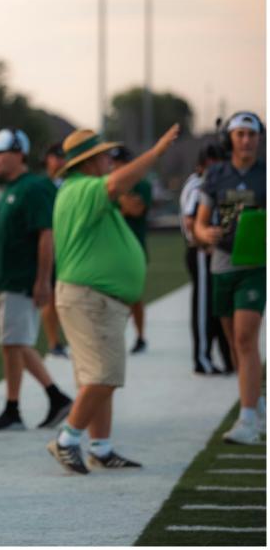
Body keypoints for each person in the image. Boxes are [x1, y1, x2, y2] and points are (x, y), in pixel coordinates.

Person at [47, 124, 179, 474]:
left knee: (98, 379)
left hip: (91, 298)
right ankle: (67, 440)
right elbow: (117, 184)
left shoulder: (78, 189)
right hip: (90, 298)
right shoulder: (83, 188)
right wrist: (156, 152)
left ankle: (101, 448)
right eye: (104, 155)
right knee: (105, 375)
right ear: (88, 161)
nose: (110, 160)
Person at [0, 128, 73, 431]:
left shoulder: (34, 187)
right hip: (10, 279)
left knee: (15, 342)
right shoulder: (14, 187)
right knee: (13, 343)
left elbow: (46, 235)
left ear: (19, 153)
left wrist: (43, 280)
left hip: (23, 279)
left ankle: (28, 404)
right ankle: (34, 402)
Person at [194, 111, 266, 445]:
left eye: (251, 135)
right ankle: (258, 402)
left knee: (244, 337)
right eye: (240, 135)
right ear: (230, 139)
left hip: (255, 265)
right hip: (222, 265)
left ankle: (247, 418)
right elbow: (199, 221)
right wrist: (203, 232)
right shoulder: (215, 175)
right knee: (235, 343)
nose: (246, 140)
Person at [179, 144, 233, 374]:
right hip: (201, 251)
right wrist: (204, 242)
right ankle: (202, 359)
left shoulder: (210, 181)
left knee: (214, 306)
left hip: (213, 251)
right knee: (203, 308)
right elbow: (191, 220)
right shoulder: (199, 184)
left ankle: (226, 357)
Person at [111, 146, 153, 354]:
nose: (115, 167)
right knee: (112, 296)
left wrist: (119, 196)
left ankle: (140, 336)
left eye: (119, 162)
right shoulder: (111, 186)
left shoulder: (141, 185)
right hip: (112, 249)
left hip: (135, 247)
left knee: (134, 296)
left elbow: (134, 209)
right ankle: (116, 337)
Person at [40, 143, 70, 360]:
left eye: (63, 157)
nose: (60, 161)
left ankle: (69, 338)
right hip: (51, 245)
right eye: (56, 157)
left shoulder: (71, 184)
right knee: (50, 298)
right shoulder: (42, 185)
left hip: (70, 246)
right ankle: (54, 341)